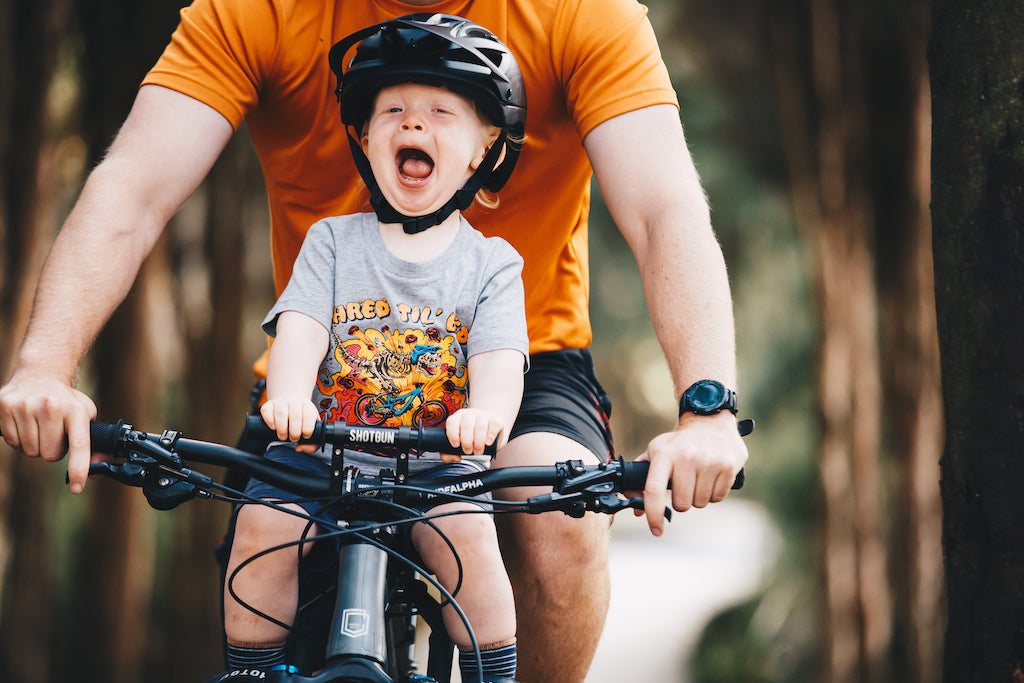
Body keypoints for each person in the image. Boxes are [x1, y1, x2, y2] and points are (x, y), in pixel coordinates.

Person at [0, 0, 749, 680]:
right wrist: (44, 364)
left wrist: (705, 407)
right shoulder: (257, 11)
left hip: (520, 363)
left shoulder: (582, 14)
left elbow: (663, 211)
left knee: (559, 522)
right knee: (261, 547)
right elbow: (133, 186)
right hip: (324, 371)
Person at [219, 17, 529, 682]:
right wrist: (291, 396)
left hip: (436, 465)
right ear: (363, 136)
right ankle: (252, 669)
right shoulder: (332, 241)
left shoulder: (492, 264)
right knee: (260, 523)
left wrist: (488, 415)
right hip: (321, 453)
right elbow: (299, 330)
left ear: (483, 148)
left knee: (471, 538)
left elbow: (500, 361)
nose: (414, 124)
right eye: (394, 110)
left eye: (442, 111)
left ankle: (491, 674)